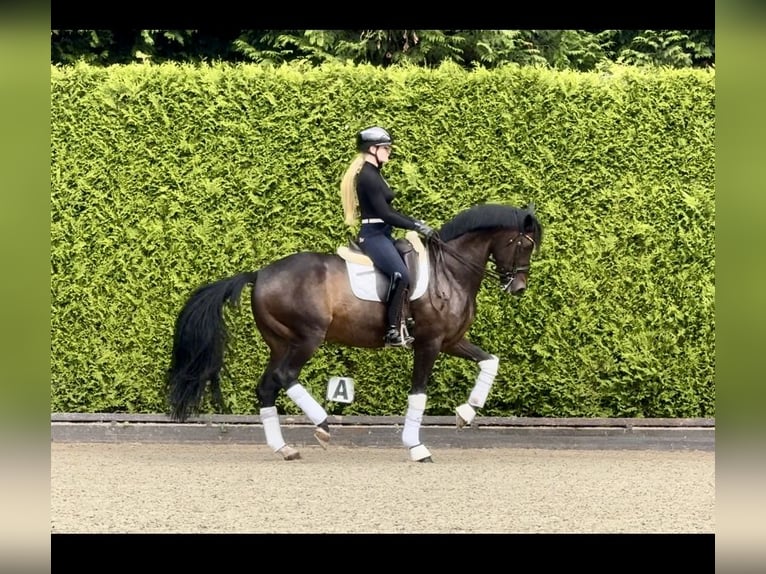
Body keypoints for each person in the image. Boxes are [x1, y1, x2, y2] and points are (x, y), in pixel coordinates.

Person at [340, 126, 436, 347]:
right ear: (372, 149)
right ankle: (392, 328)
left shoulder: (375, 173)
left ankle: (407, 318)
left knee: (411, 261)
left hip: (383, 234)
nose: (389, 152)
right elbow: (384, 214)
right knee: (400, 274)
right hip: (373, 236)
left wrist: (415, 223)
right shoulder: (367, 176)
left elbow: (388, 212)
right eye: (386, 148)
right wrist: (416, 226)